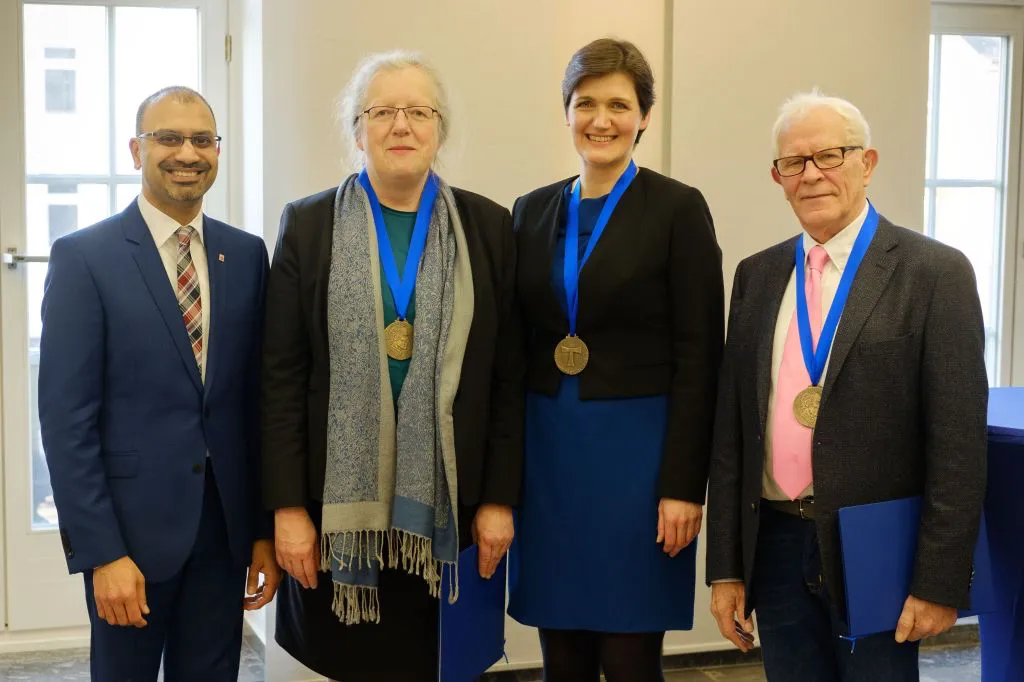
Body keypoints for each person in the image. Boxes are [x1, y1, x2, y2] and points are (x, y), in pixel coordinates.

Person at [706, 91, 989, 681]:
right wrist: (727, 567)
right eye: (794, 162)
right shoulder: (756, 276)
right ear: (778, 177)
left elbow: (958, 445)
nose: (811, 174)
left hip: (877, 548)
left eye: (829, 155)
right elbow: (733, 434)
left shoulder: (934, 273)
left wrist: (938, 582)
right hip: (776, 543)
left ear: (868, 163)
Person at [261, 50, 524, 682]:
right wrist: (287, 509)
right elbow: (280, 380)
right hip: (335, 513)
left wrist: (498, 500)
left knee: (435, 663)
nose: (400, 125)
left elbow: (508, 377)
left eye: (418, 112)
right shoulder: (309, 225)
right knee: (350, 664)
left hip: (450, 508)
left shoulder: (488, 228)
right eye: (381, 112)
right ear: (358, 131)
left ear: (440, 130)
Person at [38, 86, 279, 681]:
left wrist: (260, 533)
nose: (187, 153)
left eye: (202, 140)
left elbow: (255, 406)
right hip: (130, 537)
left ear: (217, 151)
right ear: (135, 150)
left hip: (223, 533)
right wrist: (103, 552)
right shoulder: (84, 257)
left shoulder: (246, 255)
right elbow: (66, 423)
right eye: (168, 138)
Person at [507, 38, 724, 681]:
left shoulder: (678, 209)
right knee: (562, 658)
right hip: (549, 460)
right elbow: (514, 347)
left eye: (619, 105)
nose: (601, 120)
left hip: (640, 463)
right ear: (566, 112)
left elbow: (700, 356)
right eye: (586, 104)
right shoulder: (530, 210)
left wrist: (683, 486)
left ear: (644, 116)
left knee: (630, 659)